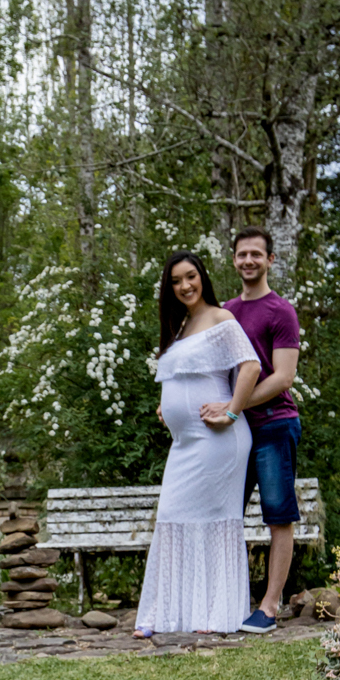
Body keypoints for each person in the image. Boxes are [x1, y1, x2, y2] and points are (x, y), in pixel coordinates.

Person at [134, 251, 260, 636]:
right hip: (185, 443)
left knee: (212, 522)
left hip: (218, 439)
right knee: (171, 516)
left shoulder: (221, 318)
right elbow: (185, 377)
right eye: (176, 281)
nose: (185, 286)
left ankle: (213, 614)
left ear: (202, 276)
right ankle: (162, 615)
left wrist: (232, 411)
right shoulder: (180, 327)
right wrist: (168, 406)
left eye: (190, 276)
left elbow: (251, 366)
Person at [204, 228, 301, 634]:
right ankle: (225, 602)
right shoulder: (225, 311)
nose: (248, 260)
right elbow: (214, 372)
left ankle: (269, 607)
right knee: (225, 515)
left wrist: (235, 405)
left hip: (275, 426)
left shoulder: (281, 311)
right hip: (235, 431)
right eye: (242, 254)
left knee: (279, 516)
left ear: (270, 260)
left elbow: (283, 377)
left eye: (256, 254)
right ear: (233, 260)